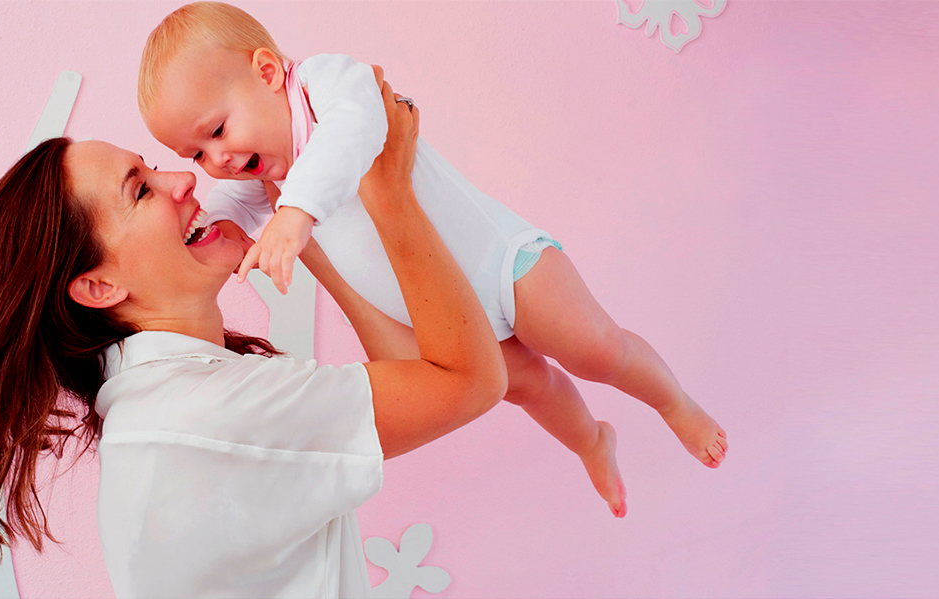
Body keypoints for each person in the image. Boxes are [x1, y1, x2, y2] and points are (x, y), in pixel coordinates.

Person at [0, 72, 505, 597]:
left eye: (151, 166)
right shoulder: (212, 412)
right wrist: (392, 196)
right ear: (99, 287)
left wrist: (303, 227)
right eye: (140, 190)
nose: (183, 179)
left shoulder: (165, 409)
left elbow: (412, 375)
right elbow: (470, 382)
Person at [137, 2, 727, 518]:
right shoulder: (264, 175)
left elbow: (358, 127)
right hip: (450, 316)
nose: (216, 159)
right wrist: (202, 232)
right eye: (196, 153)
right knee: (530, 387)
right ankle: (592, 440)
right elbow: (230, 212)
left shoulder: (322, 86)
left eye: (218, 130)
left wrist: (295, 213)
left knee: (598, 348)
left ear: (267, 73)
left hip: (505, 267)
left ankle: (673, 401)